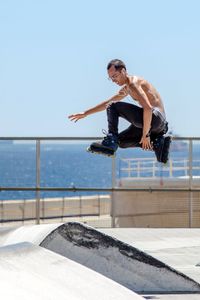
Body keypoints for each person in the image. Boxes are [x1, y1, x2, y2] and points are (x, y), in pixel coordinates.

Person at [68, 59, 171, 163]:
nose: (113, 80)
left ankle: (111, 140)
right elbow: (107, 103)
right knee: (121, 142)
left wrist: (146, 135)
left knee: (113, 107)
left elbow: (148, 108)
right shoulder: (127, 88)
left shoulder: (133, 84)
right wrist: (85, 113)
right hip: (157, 125)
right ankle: (158, 145)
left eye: (115, 76)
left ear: (123, 71)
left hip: (155, 118)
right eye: (110, 78)